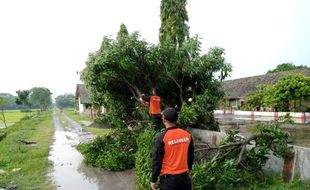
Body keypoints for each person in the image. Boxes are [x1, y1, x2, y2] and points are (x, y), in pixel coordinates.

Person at [150, 107, 194, 190]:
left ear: (164, 120)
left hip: (169, 181)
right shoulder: (187, 135)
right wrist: (189, 170)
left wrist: (153, 179)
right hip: (184, 178)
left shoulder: (161, 137)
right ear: (176, 120)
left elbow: (157, 160)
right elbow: (190, 155)